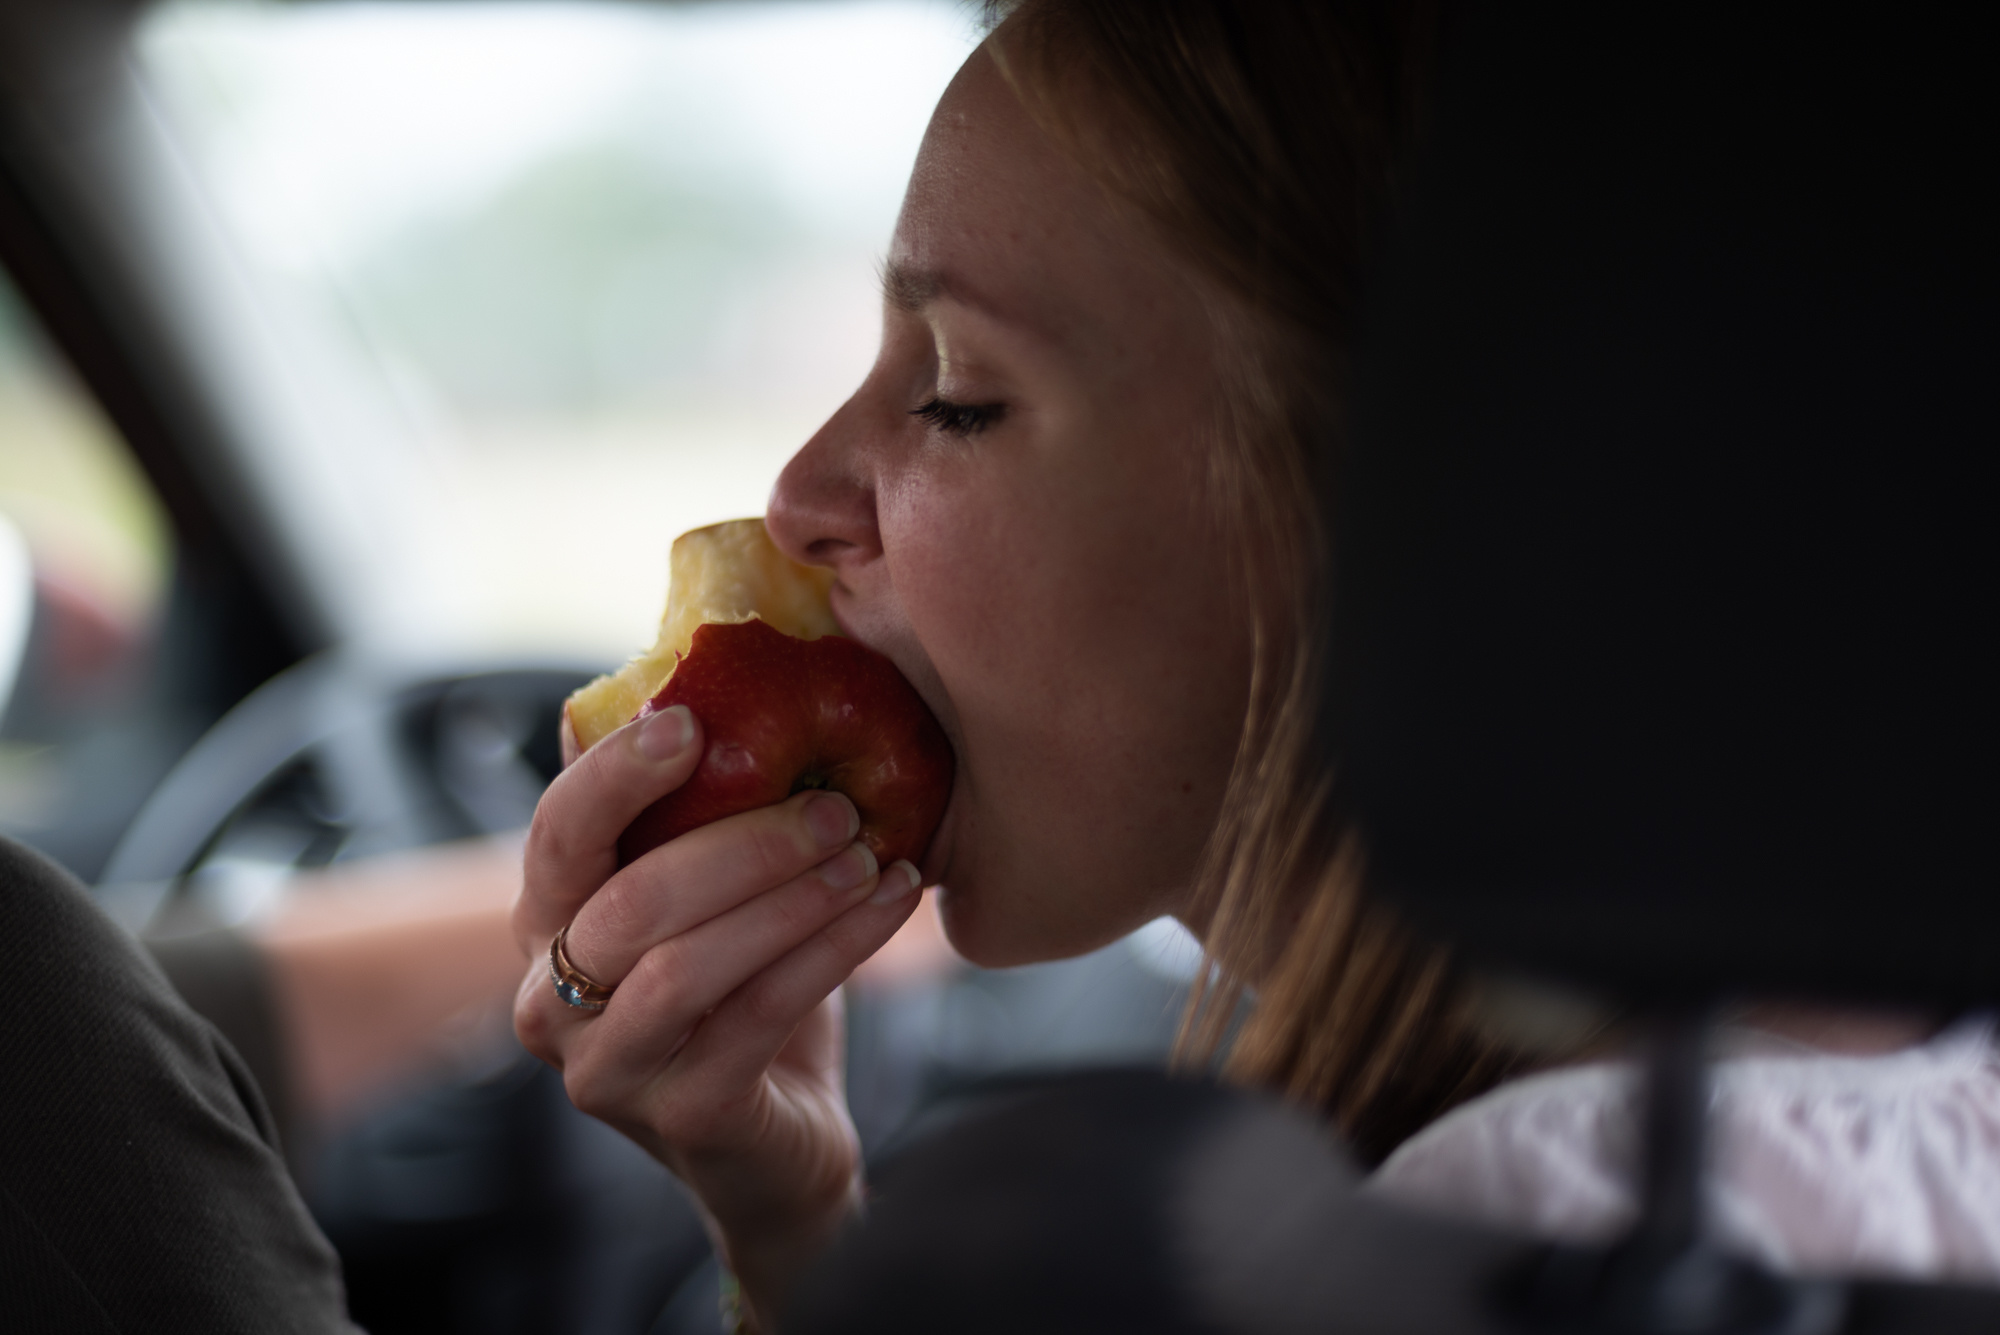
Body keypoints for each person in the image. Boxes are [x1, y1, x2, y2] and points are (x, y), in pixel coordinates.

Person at [510, 1, 2000, 1330]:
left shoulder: (1466, 1246)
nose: (800, 495)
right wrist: (796, 1230)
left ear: (1386, 498)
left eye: (956, 393)